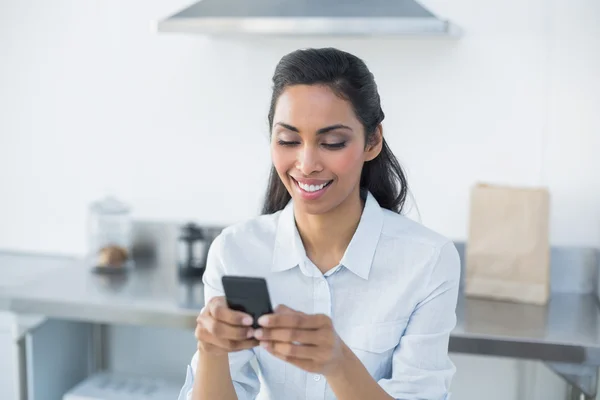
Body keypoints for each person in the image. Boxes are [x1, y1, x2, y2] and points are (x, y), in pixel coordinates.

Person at [178, 47, 460, 400]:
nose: (307, 163)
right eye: (288, 141)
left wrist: (338, 363)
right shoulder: (236, 251)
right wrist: (212, 351)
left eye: (332, 142)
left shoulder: (428, 261)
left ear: (372, 141)